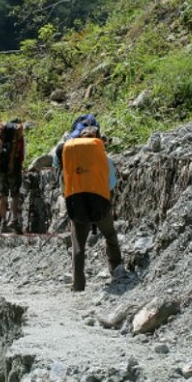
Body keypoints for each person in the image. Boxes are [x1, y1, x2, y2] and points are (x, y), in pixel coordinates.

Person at [58, 125, 123, 291]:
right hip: (99, 203)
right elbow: (112, 183)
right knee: (109, 234)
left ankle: (78, 285)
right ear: (97, 139)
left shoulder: (71, 157)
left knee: (78, 245)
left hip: (77, 204)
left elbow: (65, 182)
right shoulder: (104, 158)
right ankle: (116, 270)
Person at [0, 121, 26, 235]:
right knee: (15, 194)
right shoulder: (19, 140)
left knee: (2, 195)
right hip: (15, 168)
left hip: (1, 169)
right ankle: (14, 220)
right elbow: (23, 154)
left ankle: (3, 222)